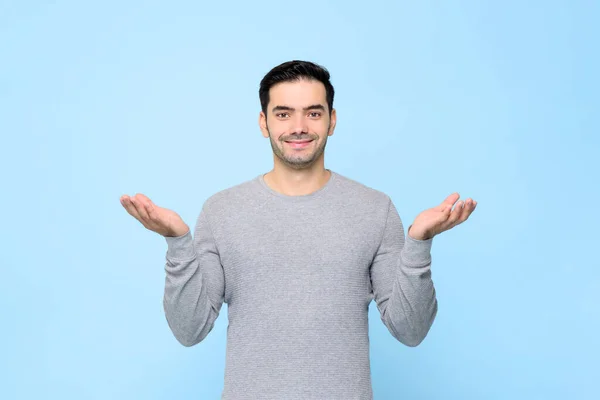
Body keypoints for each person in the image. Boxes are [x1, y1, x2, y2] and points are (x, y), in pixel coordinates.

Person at [120, 60, 477, 399]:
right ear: (264, 123)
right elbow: (189, 329)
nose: (299, 126)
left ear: (332, 120)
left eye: (313, 112)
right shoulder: (221, 211)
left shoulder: (375, 209)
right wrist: (177, 242)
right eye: (284, 113)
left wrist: (419, 243)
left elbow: (410, 330)